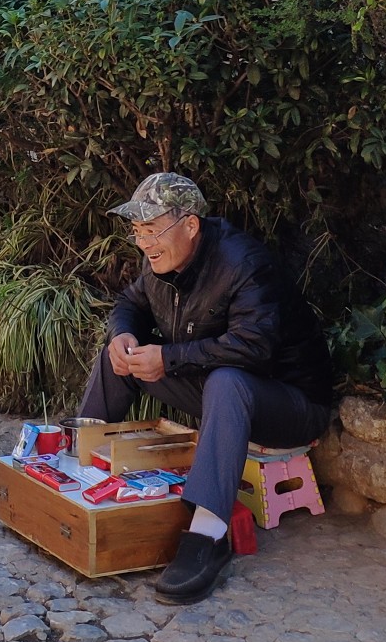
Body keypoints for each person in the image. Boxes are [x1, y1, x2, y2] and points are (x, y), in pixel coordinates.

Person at [77, 172, 335, 605]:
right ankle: (75, 464)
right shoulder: (159, 260)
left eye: (152, 229)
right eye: (137, 231)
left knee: (229, 380)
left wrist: (169, 359)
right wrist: (122, 335)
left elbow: (253, 349)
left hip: (289, 403)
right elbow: (130, 304)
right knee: (117, 357)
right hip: (218, 392)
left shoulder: (243, 263)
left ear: (190, 225)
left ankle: (209, 535)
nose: (143, 242)